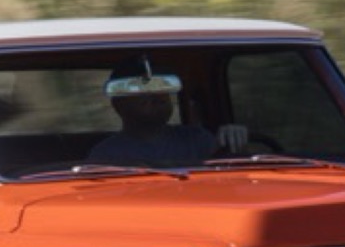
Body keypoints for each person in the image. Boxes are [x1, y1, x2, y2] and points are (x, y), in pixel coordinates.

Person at [87, 59, 243, 167]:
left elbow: (227, 174)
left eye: (162, 89)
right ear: (118, 104)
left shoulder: (196, 138)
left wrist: (231, 139)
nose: (155, 96)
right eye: (141, 91)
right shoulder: (105, 154)